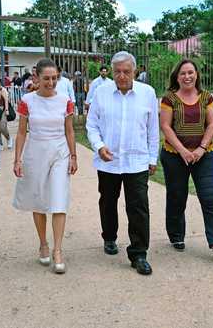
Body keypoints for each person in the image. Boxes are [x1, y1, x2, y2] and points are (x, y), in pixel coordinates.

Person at [86, 51, 159, 276]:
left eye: (126, 71)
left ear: (134, 71)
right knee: (108, 201)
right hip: (109, 160)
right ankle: (109, 237)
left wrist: (152, 158)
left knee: (138, 207)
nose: (121, 76)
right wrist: (99, 146)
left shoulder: (147, 93)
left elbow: (152, 129)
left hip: (136, 160)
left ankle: (139, 253)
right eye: (117, 71)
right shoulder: (100, 92)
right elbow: (92, 125)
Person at [12, 58, 78, 274]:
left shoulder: (65, 100)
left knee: (59, 199)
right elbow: (22, 132)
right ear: (36, 78)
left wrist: (74, 156)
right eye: (46, 78)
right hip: (35, 152)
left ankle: (58, 250)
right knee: (39, 199)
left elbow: (69, 130)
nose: (51, 82)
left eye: (54, 78)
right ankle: (43, 243)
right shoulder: (27, 101)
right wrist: (17, 159)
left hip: (60, 152)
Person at [160, 59, 213, 256]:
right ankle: (176, 236)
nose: (187, 76)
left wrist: (200, 149)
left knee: (210, 197)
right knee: (177, 197)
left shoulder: (206, 97)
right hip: (175, 156)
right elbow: (165, 126)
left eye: (190, 72)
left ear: (196, 75)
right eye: (183, 73)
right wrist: (182, 150)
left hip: (204, 156)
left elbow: (212, 124)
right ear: (177, 76)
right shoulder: (169, 99)